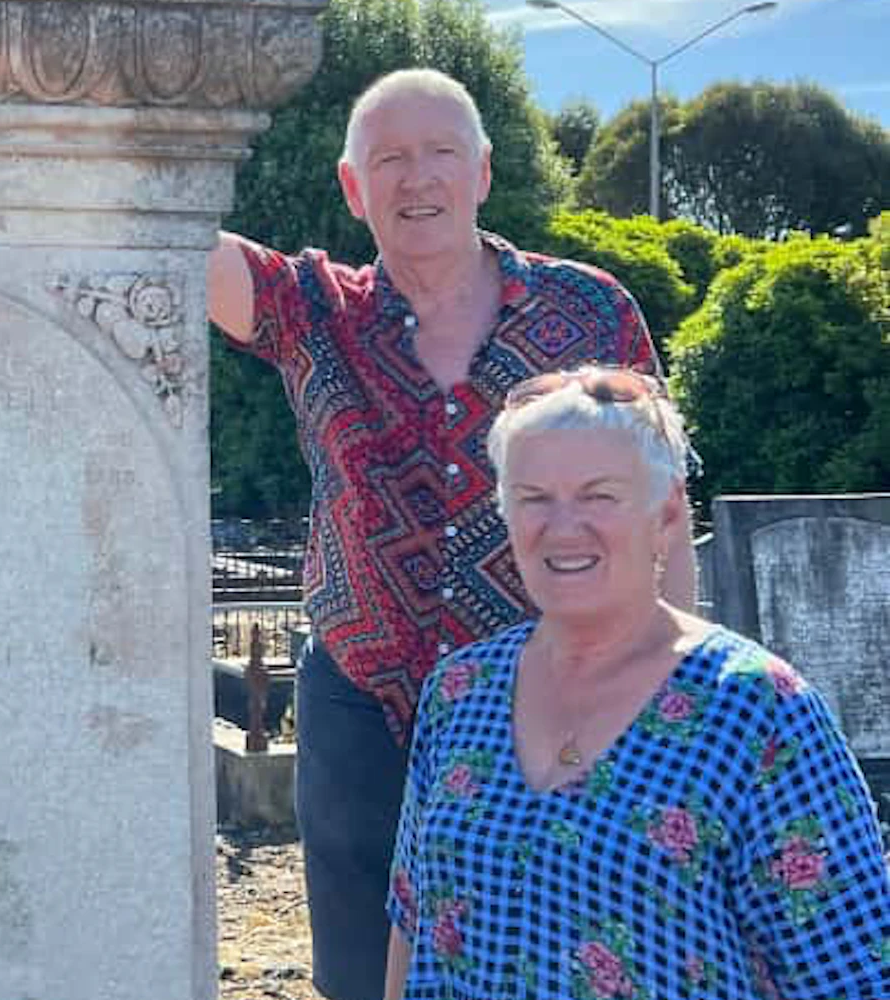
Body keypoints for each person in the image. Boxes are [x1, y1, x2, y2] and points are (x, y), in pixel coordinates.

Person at [205, 68, 697, 1000]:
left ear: (483, 172)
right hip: (359, 699)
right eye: (388, 159)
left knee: (549, 952)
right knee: (359, 970)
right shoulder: (316, 309)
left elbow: (657, 503)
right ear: (353, 188)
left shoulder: (589, 311)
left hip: (548, 692)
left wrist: (672, 685)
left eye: (440, 153)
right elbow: (166, 238)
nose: (416, 179)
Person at [386, 364, 890, 998]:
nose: (563, 526)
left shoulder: (757, 709)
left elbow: (849, 974)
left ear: (667, 511)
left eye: (599, 495)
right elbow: (412, 918)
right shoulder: (460, 690)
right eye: (533, 496)